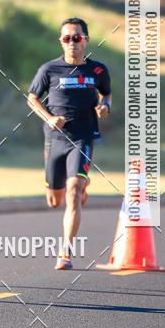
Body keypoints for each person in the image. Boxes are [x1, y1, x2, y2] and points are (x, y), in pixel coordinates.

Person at [27, 17, 111, 270]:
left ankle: (65, 252)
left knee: (72, 192)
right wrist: (49, 118)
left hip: (82, 136)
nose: (72, 42)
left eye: (77, 37)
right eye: (67, 38)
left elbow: (106, 93)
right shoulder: (49, 70)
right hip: (55, 139)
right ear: (61, 41)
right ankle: (81, 186)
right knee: (54, 200)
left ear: (86, 40)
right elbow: (32, 98)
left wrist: (105, 106)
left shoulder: (97, 70)